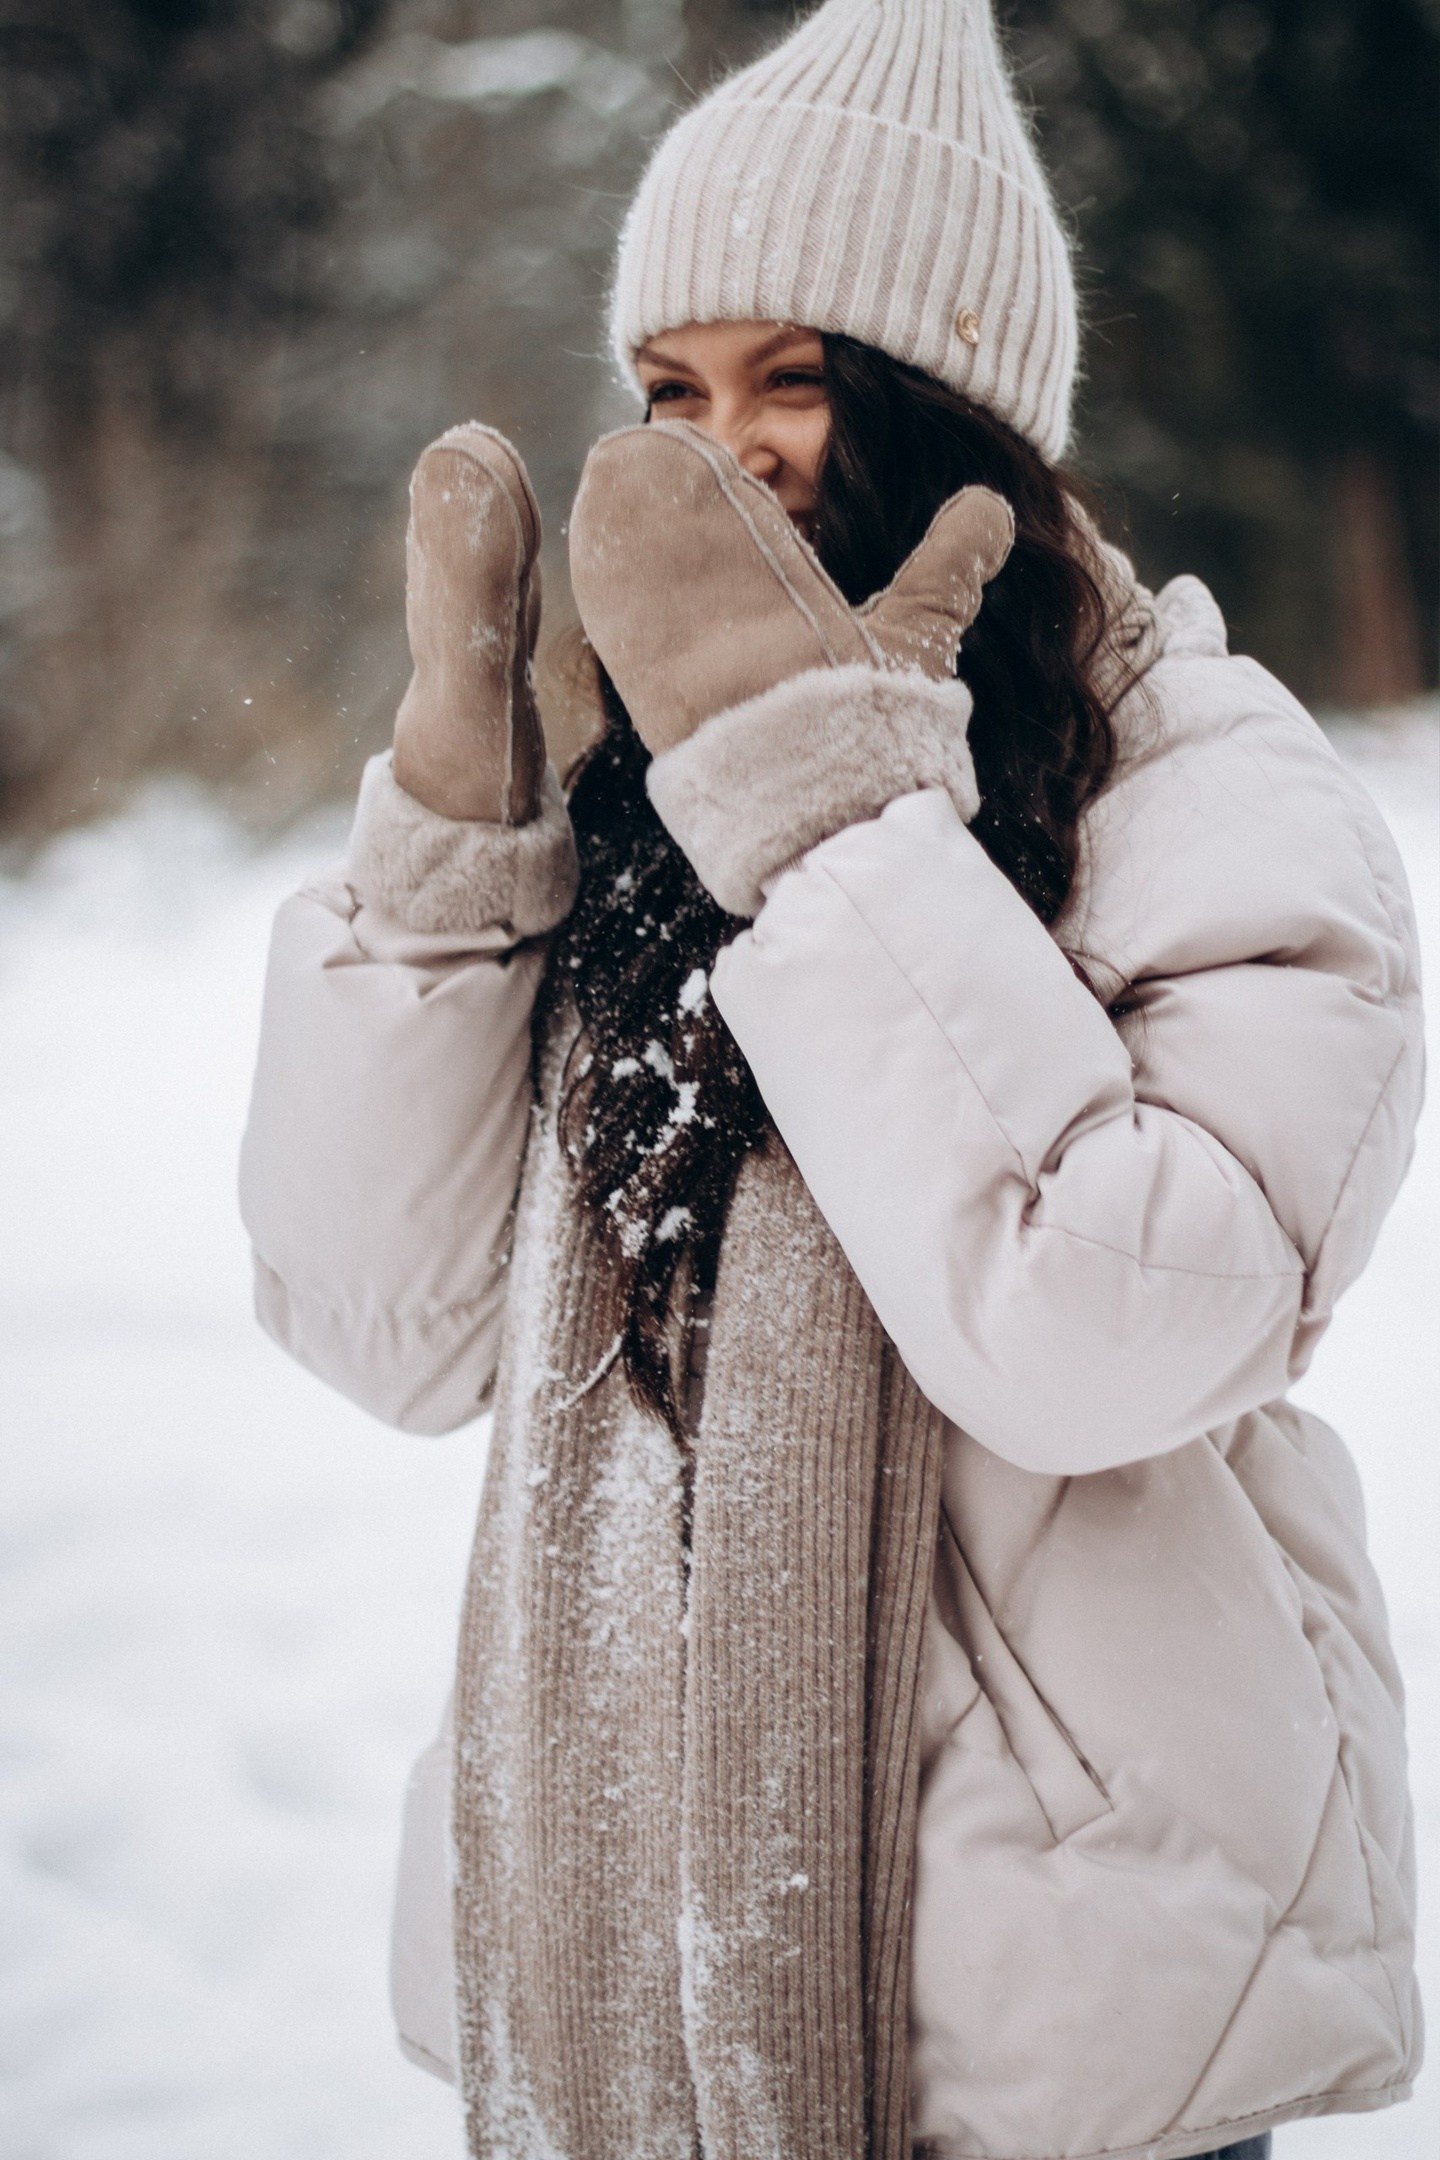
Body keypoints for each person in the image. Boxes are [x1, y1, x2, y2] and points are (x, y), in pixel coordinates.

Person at [239, 3, 1423, 2156]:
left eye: (800, 378)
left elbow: (1110, 1336)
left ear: (961, 409)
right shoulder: (631, 821)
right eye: (674, 393)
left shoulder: (1212, 787)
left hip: (1050, 2028)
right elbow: (383, 1332)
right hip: (625, 1968)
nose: (733, 449)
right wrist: (452, 844)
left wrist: (817, 801)